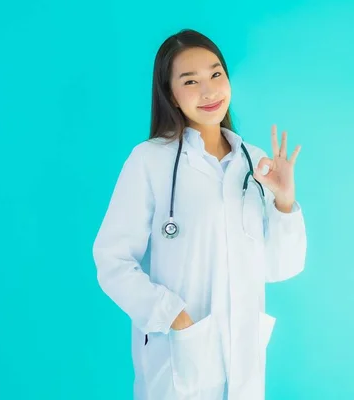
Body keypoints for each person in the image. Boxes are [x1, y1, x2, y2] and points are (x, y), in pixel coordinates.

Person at [92, 28, 307, 400]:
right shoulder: (150, 161)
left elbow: (279, 269)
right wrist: (170, 313)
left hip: (243, 361)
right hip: (179, 356)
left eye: (215, 74)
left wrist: (284, 202)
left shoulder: (256, 163)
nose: (208, 91)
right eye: (190, 81)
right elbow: (111, 259)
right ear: (171, 95)